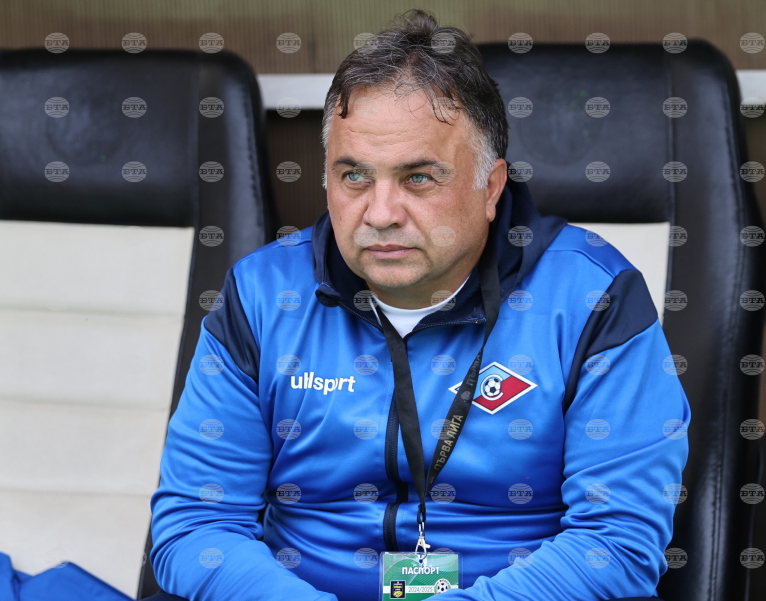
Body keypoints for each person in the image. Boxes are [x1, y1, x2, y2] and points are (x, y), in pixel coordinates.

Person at [146, 9, 689, 601]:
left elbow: (616, 544)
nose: (380, 214)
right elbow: (195, 527)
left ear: (490, 187)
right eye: (354, 177)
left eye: (419, 178)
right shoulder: (261, 295)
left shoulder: (592, 297)